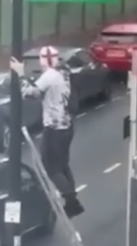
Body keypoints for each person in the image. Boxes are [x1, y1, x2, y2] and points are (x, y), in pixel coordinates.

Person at [10, 46, 84, 217]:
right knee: (62, 164)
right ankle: (72, 200)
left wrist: (21, 74)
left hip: (54, 127)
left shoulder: (49, 76)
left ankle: (70, 198)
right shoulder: (64, 72)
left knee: (50, 165)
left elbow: (30, 92)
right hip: (66, 125)